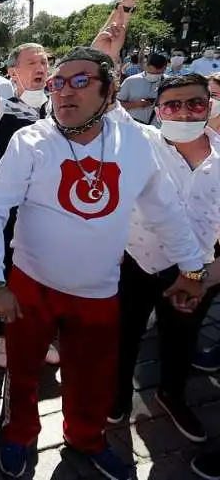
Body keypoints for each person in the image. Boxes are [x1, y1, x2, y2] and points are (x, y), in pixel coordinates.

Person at [0, 43, 206, 480]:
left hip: (98, 290)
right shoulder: (31, 140)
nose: (64, 91)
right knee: (23, 372)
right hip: (31, 285)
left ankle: (86, 438)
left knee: (92, 377)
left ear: (109, 91)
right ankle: (20, 433)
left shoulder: (137, 144)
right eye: (58, 82)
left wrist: (192, 269)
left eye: (81, 82)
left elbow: (165, 213)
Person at [112, 74, 220, 444]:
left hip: (197, 273)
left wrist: (203, 277)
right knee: (124, 335)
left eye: (196, 104)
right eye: (173, 105)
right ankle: (117, 396)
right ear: (158, 112)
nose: (185, 113)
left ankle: (171, 394)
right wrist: (111, 41)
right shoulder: (141, 142)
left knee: (181, 339)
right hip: (137, 263)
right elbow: (97, 93)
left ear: (210, 106)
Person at [0, 3, 58, 367]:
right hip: (13, 216)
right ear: (13, 72)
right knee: (9, 275)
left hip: (55, 215)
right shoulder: (3, 110)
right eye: (32, 62)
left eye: (45, 62)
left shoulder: (62, 110)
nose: (41, 68)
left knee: (49, 279)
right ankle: (3, 337)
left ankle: (43, 334)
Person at [117, 52, 167, 125]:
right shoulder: (131, 81)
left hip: (157, 128)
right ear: (146, 66)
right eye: (152, 73)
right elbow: (117, 105)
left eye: (158, 74)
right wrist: (135, 104)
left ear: (165, 68)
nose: (154, 75)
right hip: (133, 125)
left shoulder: (168, 82)